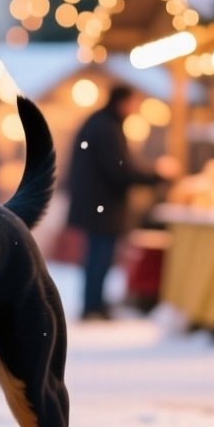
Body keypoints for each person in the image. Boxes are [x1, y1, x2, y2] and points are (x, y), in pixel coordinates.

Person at [66, 84, 161, 321]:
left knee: (99, 254)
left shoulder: (100, 123)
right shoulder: (106, 127)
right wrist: (155, 175)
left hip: (96, 203)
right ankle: (93, 306)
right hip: (101, 205)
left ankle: (95, 303)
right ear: (123, 102)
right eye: (133, 103)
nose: (135, 109)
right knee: (100, 255)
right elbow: (118, 169)